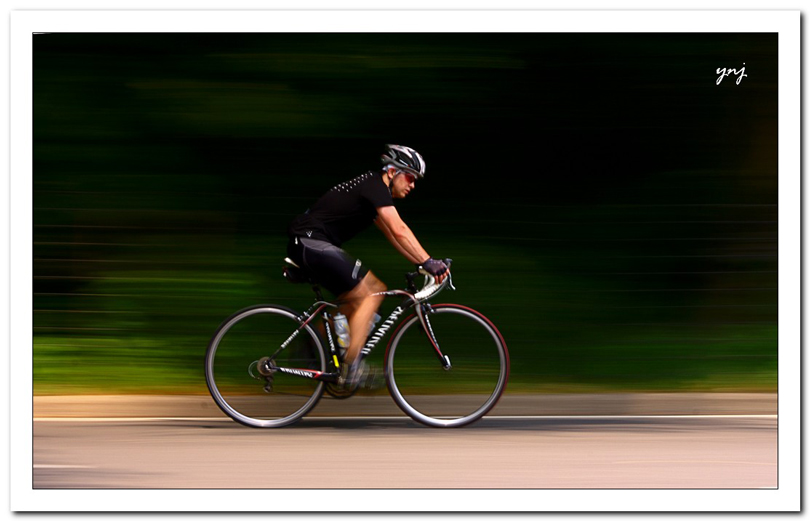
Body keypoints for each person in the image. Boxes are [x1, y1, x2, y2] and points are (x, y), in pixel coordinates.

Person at [286, 144, 448, 385]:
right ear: (392, 172)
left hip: (308, 244)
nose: (413, 185)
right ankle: (351, 368)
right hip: (311, 242)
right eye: (410, 178)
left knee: (361, 300)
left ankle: (313, 346)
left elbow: (393, 236)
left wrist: (421, 263)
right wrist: (427, 261)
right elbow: (399, 229)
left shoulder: (372, 192)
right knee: (372, 293)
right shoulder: (374, 186)